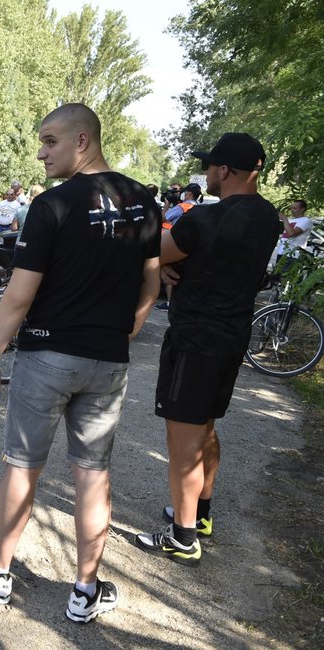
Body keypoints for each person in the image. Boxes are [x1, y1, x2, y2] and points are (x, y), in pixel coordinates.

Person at [0, 103, 161, 623]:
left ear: (83, 141)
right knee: (92, 474)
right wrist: (129, 329)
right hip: (108, 359)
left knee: (23, 466)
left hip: (47, 355)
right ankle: (85, 590)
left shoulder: (53, 205)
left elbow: (19, 295)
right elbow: (152, 281)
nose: (41, 151)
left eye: (50, 140)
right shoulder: (143, 201)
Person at [135, 133, 281, 567]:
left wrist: (165, 267)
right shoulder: (269, 217)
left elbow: (149, 250)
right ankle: (200, 515)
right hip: (232, 334)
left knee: (182, 438)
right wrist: (174, 265)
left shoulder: (205, 219)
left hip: (195, 336)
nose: (206, 174)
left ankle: (182, 537)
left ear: (225, 171)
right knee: (205, 429)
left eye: (210, 167)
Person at [156, 183, 203, 311]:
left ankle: (170, 303)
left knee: (168, 271)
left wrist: (166, 206)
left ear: (189, 194)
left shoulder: (182, 206)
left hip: (175, 242)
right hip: (189, 244)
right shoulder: (198, 207)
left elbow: (165, 218)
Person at [274, 199, 314, 274]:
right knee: (276, 279)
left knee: (284, 279)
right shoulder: (291, 220)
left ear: (302, 209)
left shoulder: (306, 220)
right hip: (281, 253)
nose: (292, 210)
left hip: (292, 255)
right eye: (291, 208)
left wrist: (285, 219)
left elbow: (292, 233)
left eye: (295, 208)